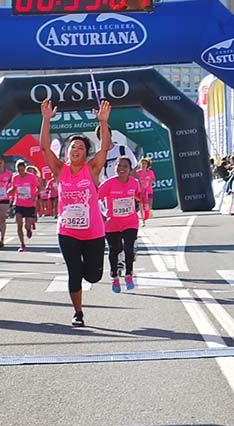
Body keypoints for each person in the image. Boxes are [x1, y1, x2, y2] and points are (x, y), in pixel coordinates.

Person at [41, 98, 112, 327]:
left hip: (93, 232)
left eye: (80, 147)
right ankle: (78, 313)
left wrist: (102, 122)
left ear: (85, 153)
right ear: (66, 151)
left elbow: (104, 148)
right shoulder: (60, 170)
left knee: (92, 276)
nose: (76, 150)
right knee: (73, 271)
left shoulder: (91, 169)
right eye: (73, 147)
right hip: (68, 231)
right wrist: (46, 119)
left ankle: (87, 274)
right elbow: (43, 147)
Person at [99, 156, 142, 292]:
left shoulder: (134, 183)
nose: (121, 169)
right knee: (114, 250)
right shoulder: (108, 183)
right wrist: (101, 214)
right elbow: (96, 198)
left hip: (130, 221)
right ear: (115, 167)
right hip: (112, 222)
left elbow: (138, 196)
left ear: (130, 170)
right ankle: (114, 277)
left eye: (125, 167)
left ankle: (129, 274)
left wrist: (141, 204)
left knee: (129, 248)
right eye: (119, 166)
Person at [8, 162, 40, 252]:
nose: (20, 172)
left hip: (29, 204)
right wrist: (9, 191)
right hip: (18, 203)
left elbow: (39, 187)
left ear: (25, 169)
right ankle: (22, 244)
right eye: (18, 171)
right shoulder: (15, 177)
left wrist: (35, 195)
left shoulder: (31, 177)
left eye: (22, 170)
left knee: (26, 225)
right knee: (19, 225)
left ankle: (29, 228)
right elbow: (14, 188)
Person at [137, 157, 156, 222]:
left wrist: (149, 181)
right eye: (142, 164)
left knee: (149, 205)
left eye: (144, 164)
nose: (143, 165)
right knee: (141, 205)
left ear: (147, 165)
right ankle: (143, 219)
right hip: (140, 192)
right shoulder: (137, 173)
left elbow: (153, 180)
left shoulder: (150, 172)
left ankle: (148, 213)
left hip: (149, 191)